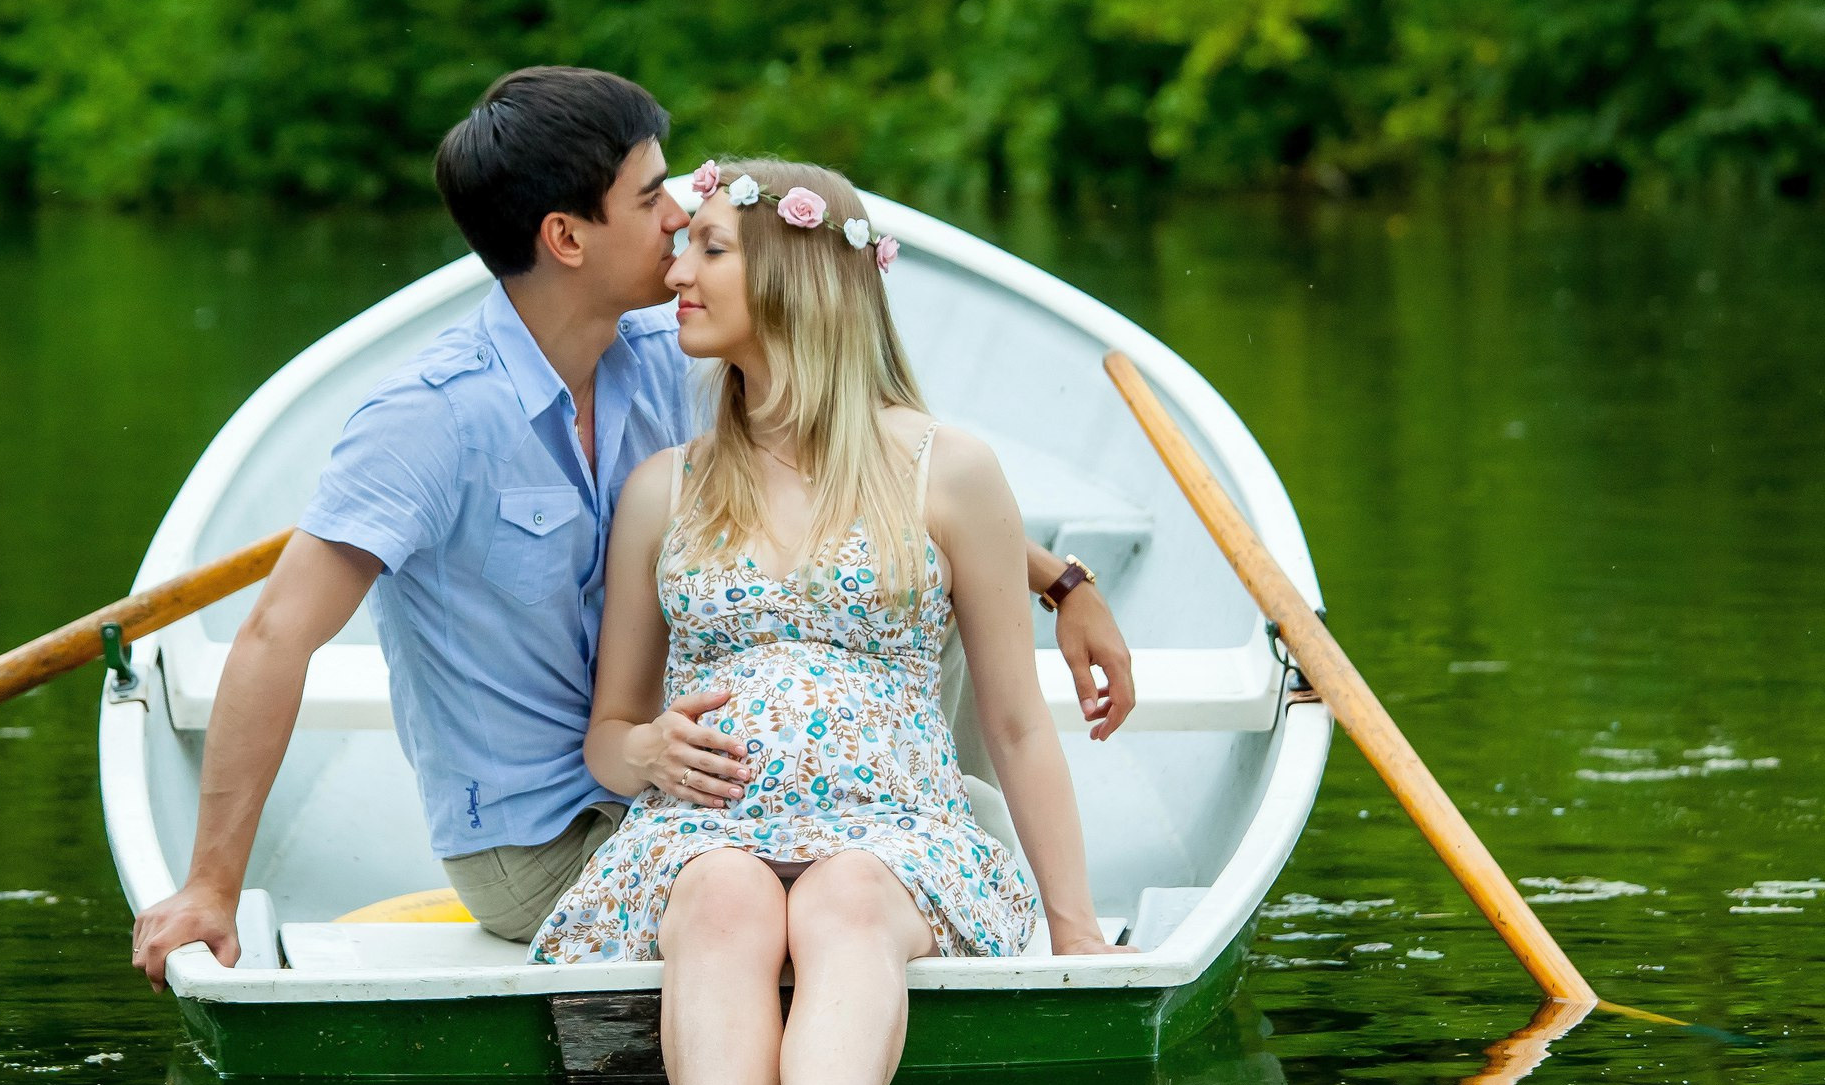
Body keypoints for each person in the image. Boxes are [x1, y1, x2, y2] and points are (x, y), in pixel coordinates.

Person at [130, 71, 1136, 986]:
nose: (681, 216)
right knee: (779, 867)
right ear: (568, 238)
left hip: (709, 777)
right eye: (654, 198)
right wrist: (211, 885)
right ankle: (906, 864)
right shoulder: (427, 421)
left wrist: (1055, 582)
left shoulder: (665, 348)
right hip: (547, 835)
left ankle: (923, 831)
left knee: (899, 594)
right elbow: (273, 638)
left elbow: (868, 474)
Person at [529, 159, 1128, 1085]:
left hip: (896, 836)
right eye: (683, 248)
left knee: (843, 900)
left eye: (709, 249)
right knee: (726, 900)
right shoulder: (664, 489)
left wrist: (1077, 930)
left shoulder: (948, 470)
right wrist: (646, 748)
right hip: (703, 837)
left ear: (794, 277)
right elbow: (609, 738)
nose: (676, 275)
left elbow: (1015, 726)